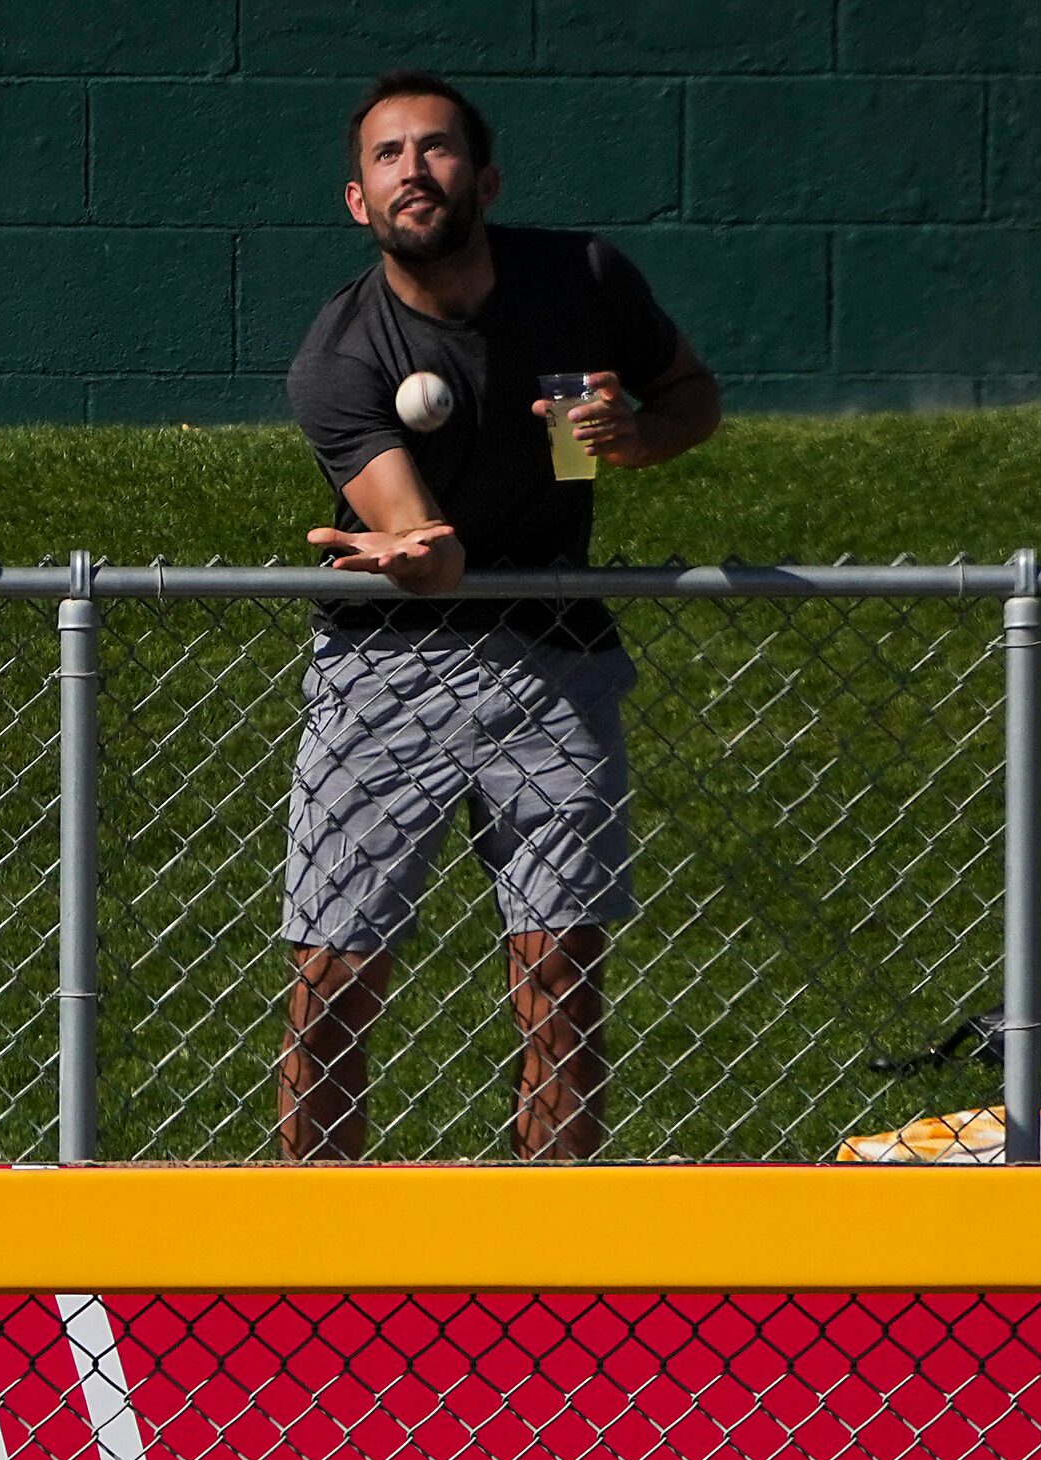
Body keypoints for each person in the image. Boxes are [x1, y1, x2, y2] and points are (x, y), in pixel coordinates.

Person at [276, 69, 723, 1161]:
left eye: (435, 149)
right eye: (388, 156)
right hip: (385, 668)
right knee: (334, 974)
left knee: (559, 972)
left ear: (483, 178)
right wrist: (419, 555)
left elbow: (691, 397)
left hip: (555, 659)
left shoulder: (580, 277)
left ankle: (549, 1248)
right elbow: (428, 553)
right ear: (357, 202)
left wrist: (636, 436)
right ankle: (304, 1236)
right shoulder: (342, 355)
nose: (413, 171)